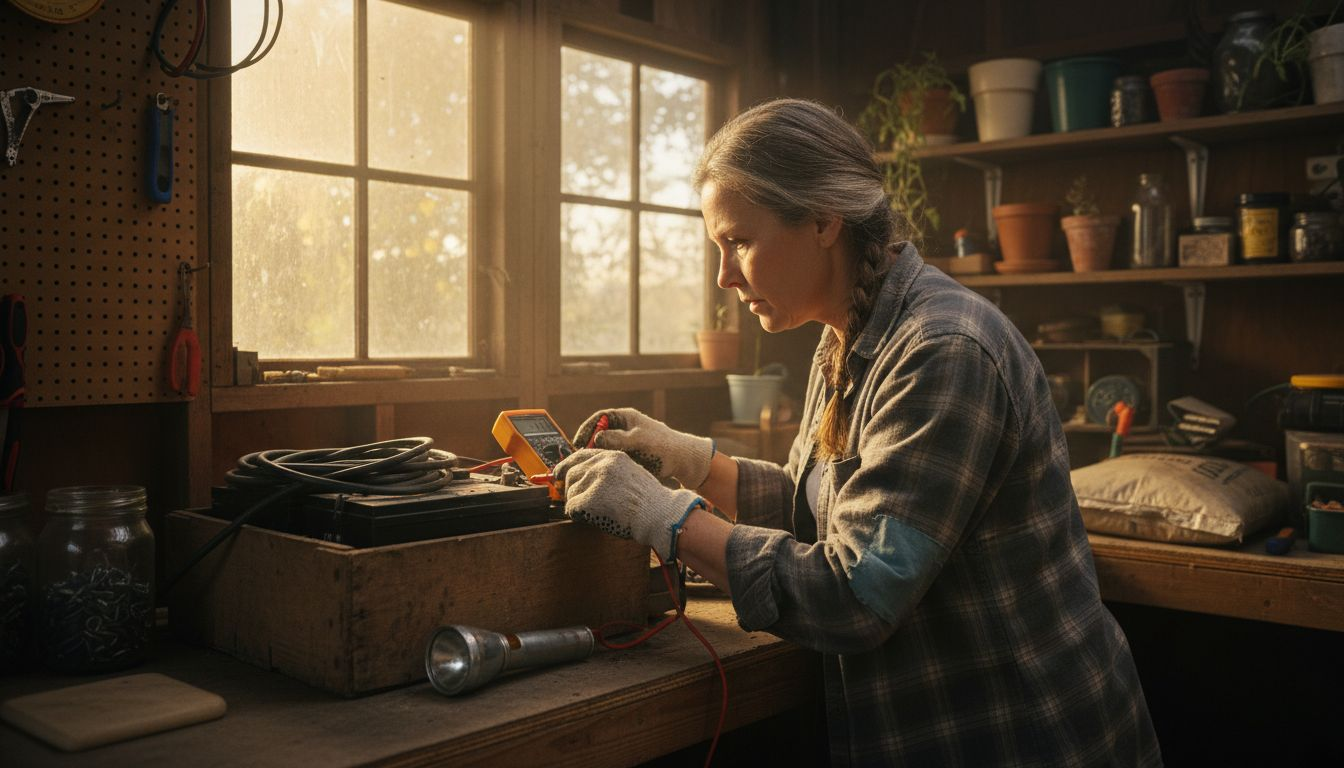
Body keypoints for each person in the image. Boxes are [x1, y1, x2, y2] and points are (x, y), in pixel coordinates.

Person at [553, 98, 1161, 766]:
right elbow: (819, 511)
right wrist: (687, 459)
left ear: (821, 220)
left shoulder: (943, 351)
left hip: (1024, 736)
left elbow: (856, 594)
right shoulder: (847, 336)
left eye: (739, 242)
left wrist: (661, 516)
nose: (724, 277)